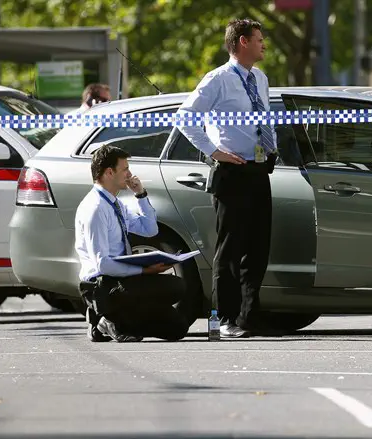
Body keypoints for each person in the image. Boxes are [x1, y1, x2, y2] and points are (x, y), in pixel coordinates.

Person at [176, 18, 278, 338]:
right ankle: (223, 320)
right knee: (230, 251)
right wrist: (213, 151)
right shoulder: (218, 79)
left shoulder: (259, 78)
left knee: (257, 248)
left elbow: (264, 119)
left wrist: (272, 151)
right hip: (232, 173)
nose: (264, 44)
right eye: (259, 39)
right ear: (243, 42)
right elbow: (185, 118)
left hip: (259, 170)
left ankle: (249, 316)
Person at [75, 145, 189, 343]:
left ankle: (106, 321)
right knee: (173, 286)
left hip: (122, 281)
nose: (130, 174)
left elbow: (149, 229)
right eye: (125, 169)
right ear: (109, 172)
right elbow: (103, 264)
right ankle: (105, 315)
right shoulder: (95, 208)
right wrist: (145, 272)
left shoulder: (115, 203)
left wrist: (141, 195)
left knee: (177, 328)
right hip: (101, 284)